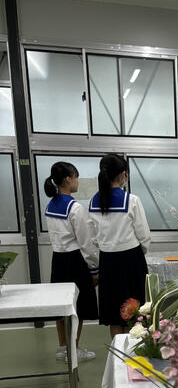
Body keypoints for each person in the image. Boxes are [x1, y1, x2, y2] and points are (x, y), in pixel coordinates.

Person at [88, 154, 151, 339]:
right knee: (135, 312)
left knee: (114, 314)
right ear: (124, 174)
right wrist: (139, 252)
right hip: (131, 261)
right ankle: (133, 352)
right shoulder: (132, 200)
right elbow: (144, 235)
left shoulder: (93, 201)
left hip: (107, 261)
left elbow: (93, 238)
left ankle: (117, 353)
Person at [44, 161, 99, 362]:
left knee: (61, 305)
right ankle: (73, 351)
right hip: (75, 261)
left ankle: (63, 348)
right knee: (78, 307)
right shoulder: (75, 208)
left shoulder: (51, 205)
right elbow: (86, 243)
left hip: (58, 260)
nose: (77, 181)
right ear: (68, 179)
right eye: (76, 177)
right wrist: (94, 269)